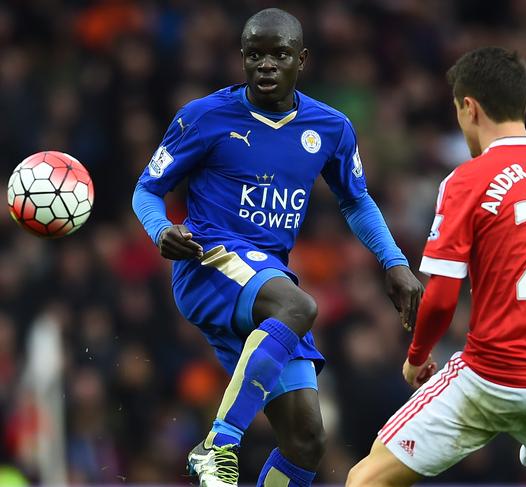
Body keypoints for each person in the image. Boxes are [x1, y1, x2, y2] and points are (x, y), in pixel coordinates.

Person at [131, 8, 423, 487]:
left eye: (279, 55)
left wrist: (393, 261)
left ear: (301, 59)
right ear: (242, 59)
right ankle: (217, 445)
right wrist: (162, 229)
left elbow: (356, 200)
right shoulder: (204, 116)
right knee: (300, 305)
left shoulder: (329, 128)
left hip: (265, 281)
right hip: (208, 262)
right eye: (255, 55)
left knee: (307, 440)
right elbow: (146, 189)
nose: (266, 65)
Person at [346, 47, 526, 487]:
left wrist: (415, 358)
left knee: (365, 478)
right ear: (523, 105)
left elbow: (441, 298)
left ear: (468, 107)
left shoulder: (468, 179)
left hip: (496, 378)